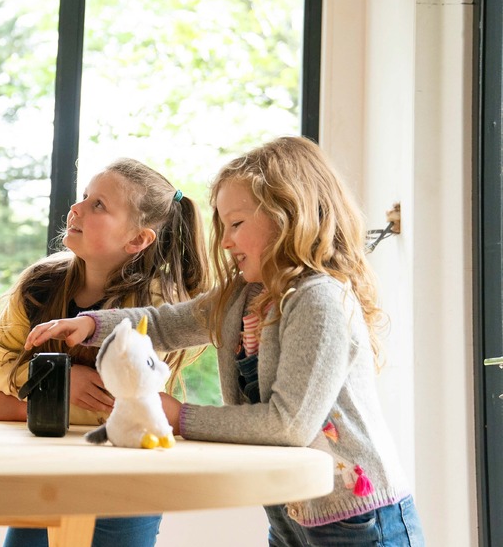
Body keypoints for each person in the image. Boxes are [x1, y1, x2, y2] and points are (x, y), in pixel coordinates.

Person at [24, 136, 425, 547]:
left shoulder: (318, 298)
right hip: (292, 508)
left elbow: (287, 424)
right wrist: (91, 325)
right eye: (223, 226)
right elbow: (164, 324)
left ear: (288, 217)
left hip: (358, 515)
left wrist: (180, 416)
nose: (227, 241)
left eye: (236, 225)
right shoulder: (243, 297)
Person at [0, 157, 209, 547]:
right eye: (84, 196)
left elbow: (125, 406)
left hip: (129, 478)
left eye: (98, 204)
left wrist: (20, 406)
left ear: (137, 240)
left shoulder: (157, 306)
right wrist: (63, 383)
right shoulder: (38, 285)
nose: (77, 208)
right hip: (43, 470)